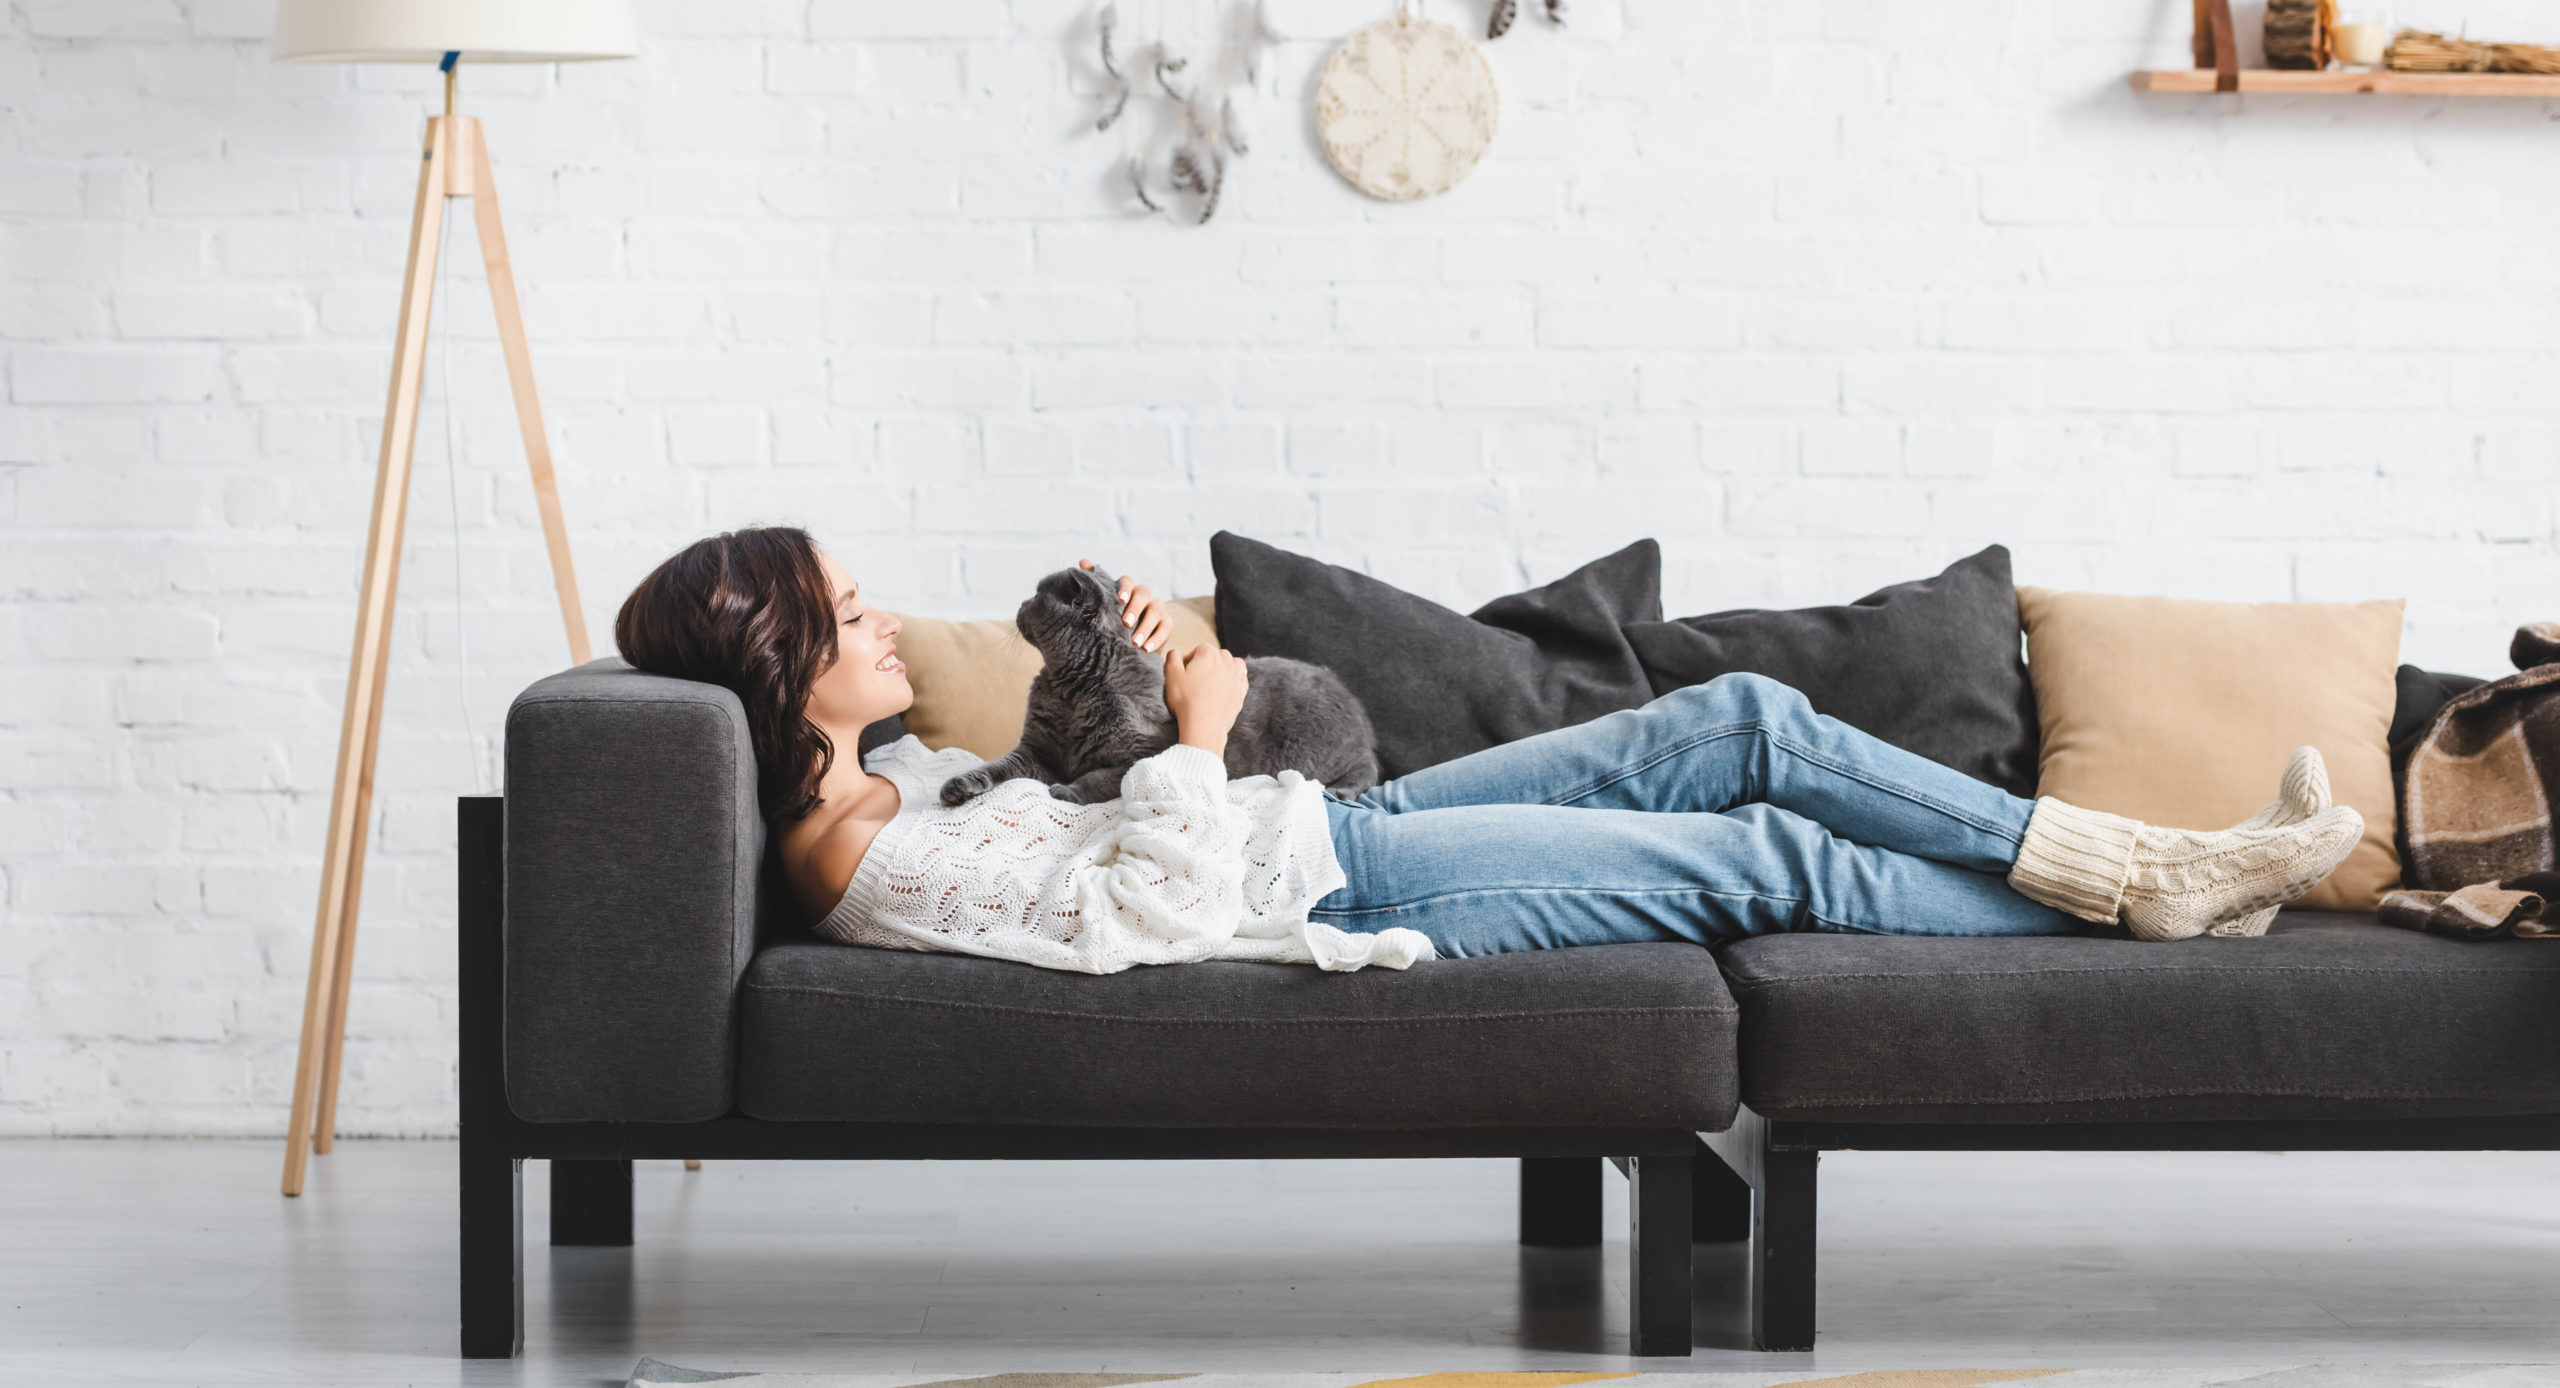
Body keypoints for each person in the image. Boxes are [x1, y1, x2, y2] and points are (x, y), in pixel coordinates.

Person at [613, 526, 2364, 976]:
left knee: (1736, 721)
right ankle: (2148, 888)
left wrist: (1143, 676)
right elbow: (1136, 919)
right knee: (1766, 859)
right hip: (1326, 887)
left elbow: (1056, 828)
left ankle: (2143, 870)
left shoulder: (886, 793)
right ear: (778, 668)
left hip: (1335, 820)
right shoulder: (849, 858)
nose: (883, 627)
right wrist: (1202, 745)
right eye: (843, 619)